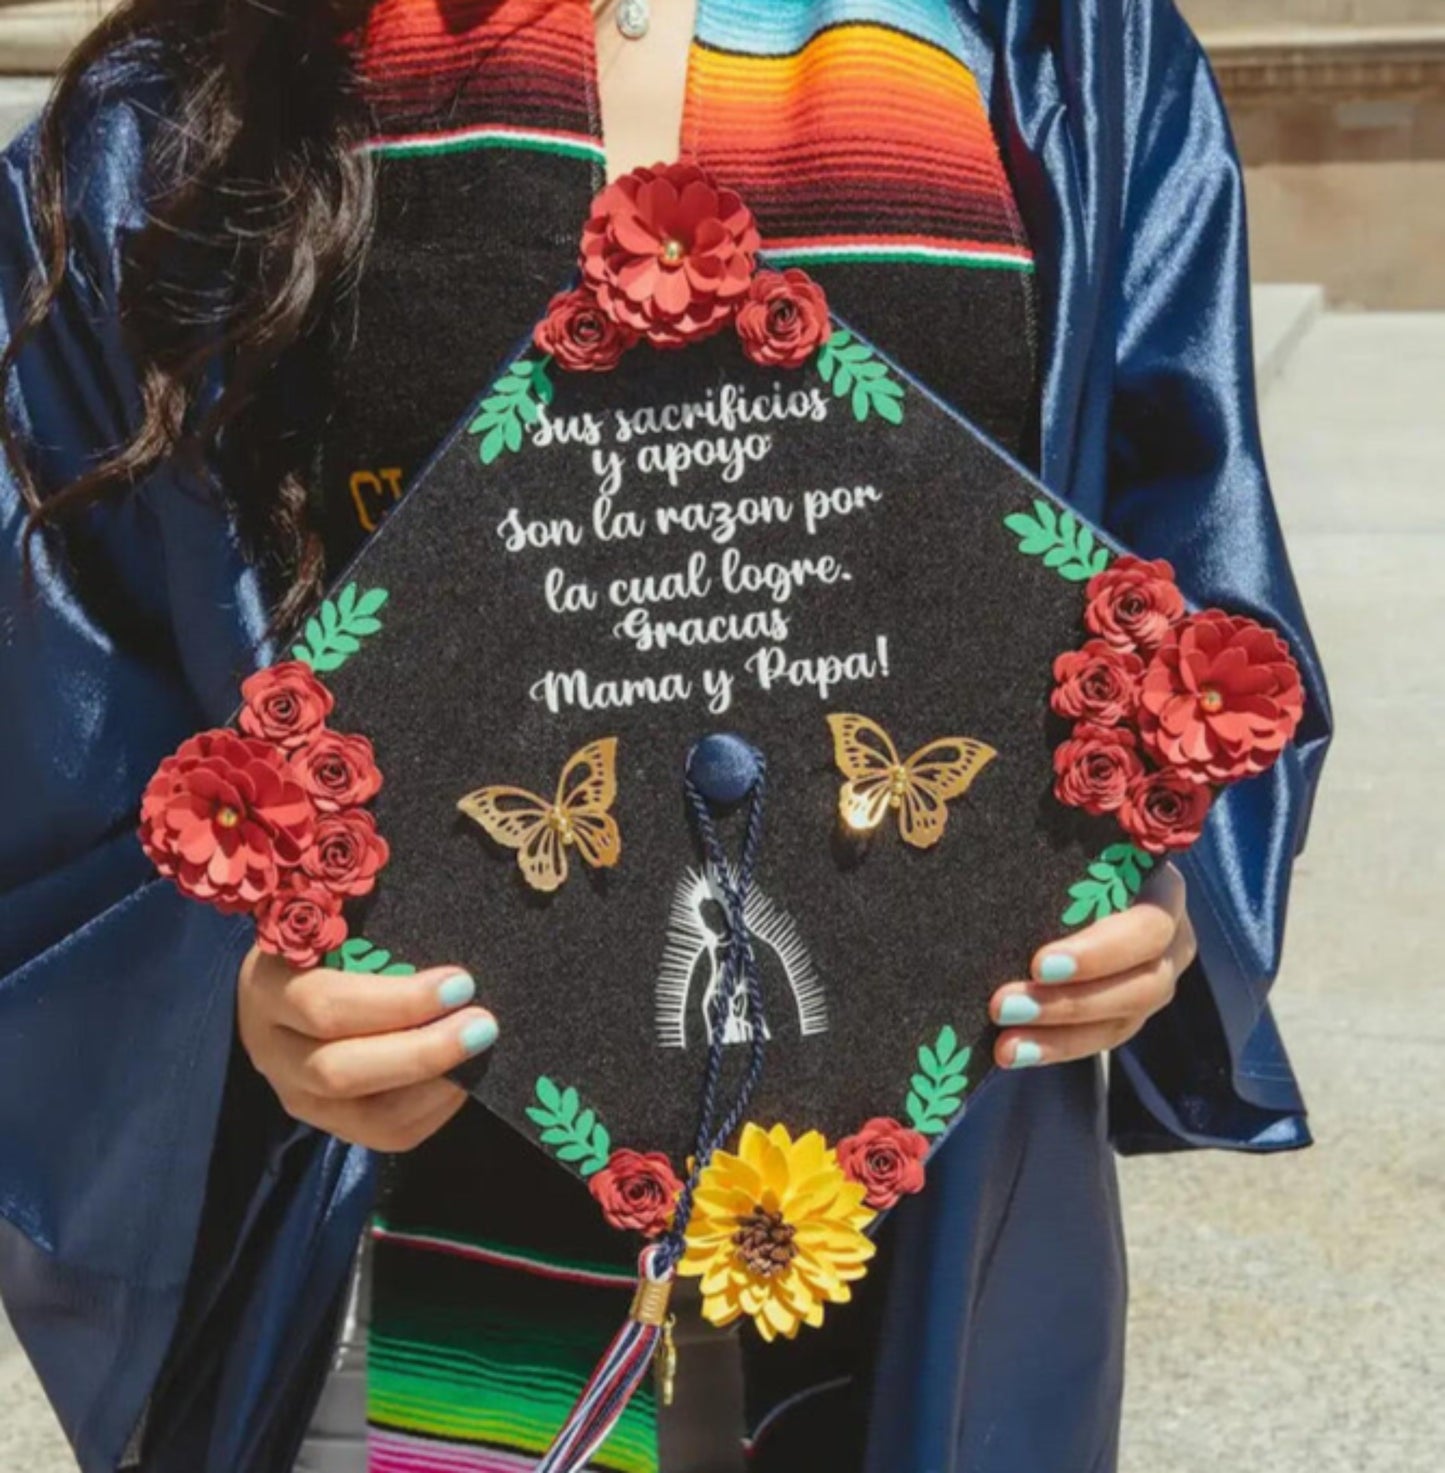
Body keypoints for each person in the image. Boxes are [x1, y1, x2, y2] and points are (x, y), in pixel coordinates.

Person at [0, 1, 1332, 1471]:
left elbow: (1193, 608)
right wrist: (244, 1003)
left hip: (932, 1230)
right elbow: (74, 705)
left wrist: (1135, 879)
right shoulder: (197, 94)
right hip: (398, 1248)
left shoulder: (1061, 55)